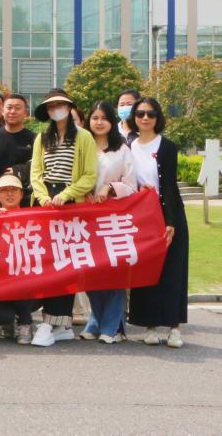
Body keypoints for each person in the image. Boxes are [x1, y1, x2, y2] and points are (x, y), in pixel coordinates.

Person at [29, 88, 98, 347]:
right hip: (46, 203)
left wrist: (67, 194)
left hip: (70, 203)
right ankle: (56, 323)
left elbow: (89, 175)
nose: (56, 109)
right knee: (47, 262)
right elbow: (36, 172)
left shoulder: (84, 137)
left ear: (69, 108)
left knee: (65, 265)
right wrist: (43, 197)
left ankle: (55, 322)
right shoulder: (42, 137)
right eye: (51, 106)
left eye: (60, 105)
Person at [128, 96, 189, 349]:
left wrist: (171, 221)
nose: (145, 118)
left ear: (158, 117)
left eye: (151, 114)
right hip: (142, 217)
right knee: (146, 271)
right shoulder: (128, 145)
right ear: (133, 117)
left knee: (173, 271)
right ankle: (149, 326)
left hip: (168, 214)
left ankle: (174, 328)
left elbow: (170, 185)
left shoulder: (167, 146)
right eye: (140, 113)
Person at [80, 101, 137, 344]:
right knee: (91, 272)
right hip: (85, 218)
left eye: (104, 118)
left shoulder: (122, 149)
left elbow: (132, 185)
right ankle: (96, 321)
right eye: (95, 118)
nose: (99, 122)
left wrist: (110, 187)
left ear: (112, 122)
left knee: (113, 271)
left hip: (113, 220)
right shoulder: (82, 146)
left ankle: (112, 326)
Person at [0, 174, 36, 345]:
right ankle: (8, 323)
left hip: (26, 282)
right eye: (4, 190)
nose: (9, 194)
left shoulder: (33, 217)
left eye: (14, 190)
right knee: (2, 316)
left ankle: (25, 323)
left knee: (23, 281)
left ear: (21, 194)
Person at [0, 93, 35, 189]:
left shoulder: (34, 139)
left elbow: (38, 165)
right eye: (9, 107)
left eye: (18, 108)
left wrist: (20, 170)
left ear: (25, 113)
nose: (12, 111)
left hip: (24, 191)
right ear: (2, 111)